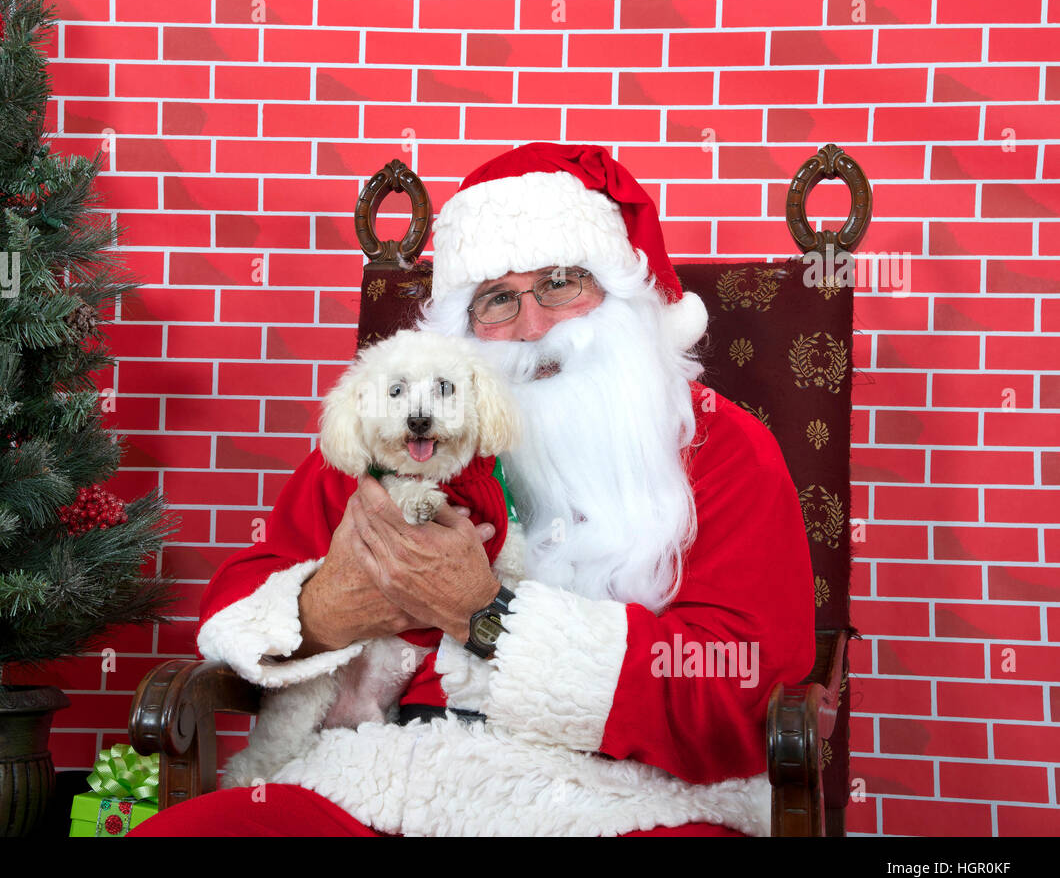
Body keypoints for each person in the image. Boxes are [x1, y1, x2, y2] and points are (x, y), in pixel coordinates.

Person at [129, 142, 817, 837]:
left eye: (560, 282)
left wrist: (486, 614)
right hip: (382, 772)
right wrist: (322, 611)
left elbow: (742, 691)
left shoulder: (721, 447)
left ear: (622, 295)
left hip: (618, 793)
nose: (533, 325)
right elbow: (239, 601)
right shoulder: (406, 437)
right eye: (497, 299)